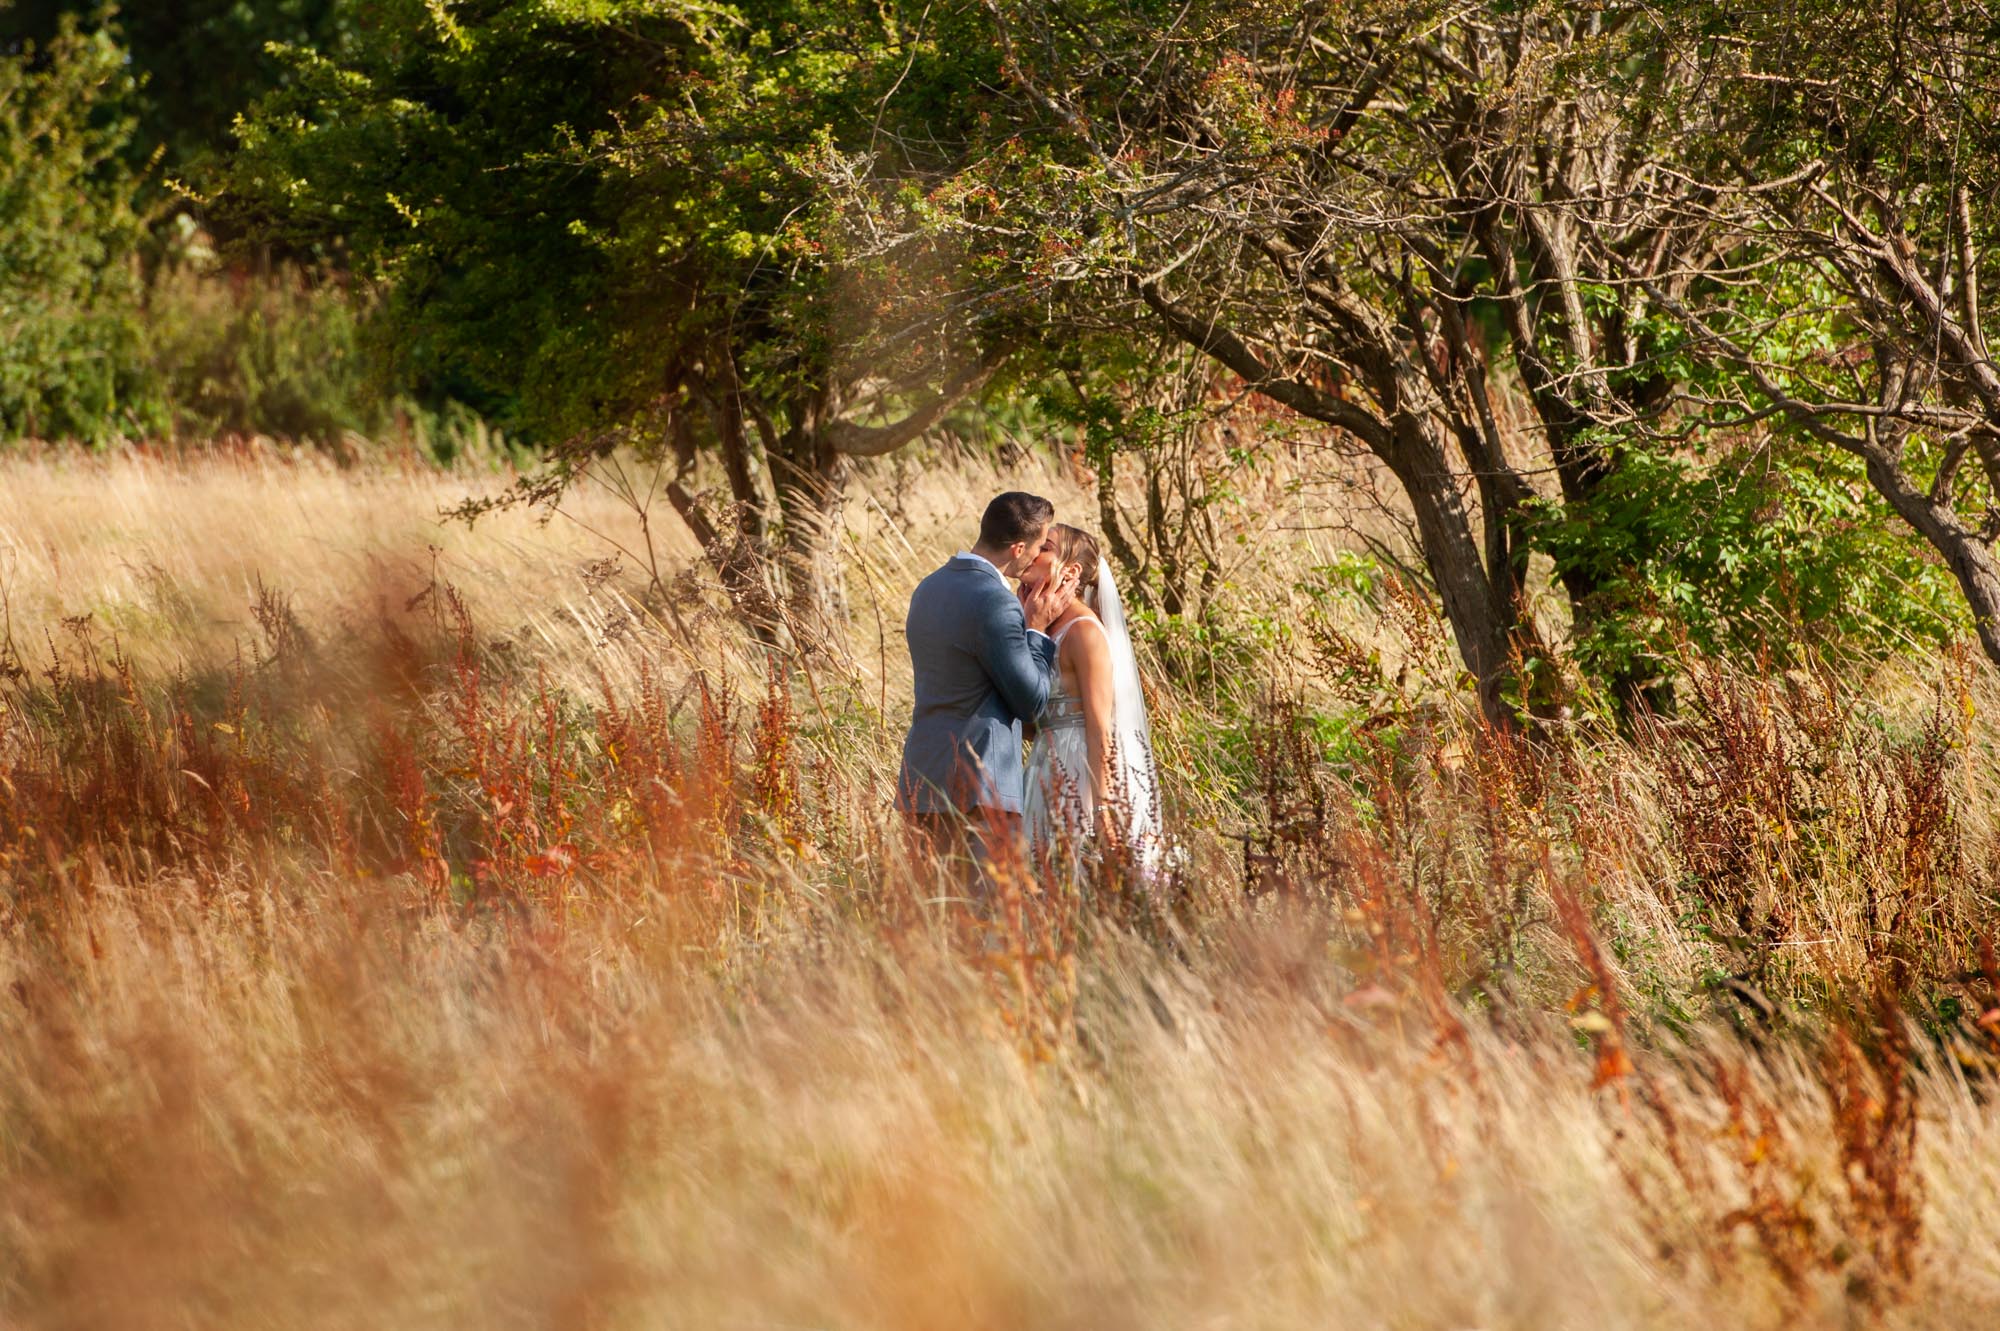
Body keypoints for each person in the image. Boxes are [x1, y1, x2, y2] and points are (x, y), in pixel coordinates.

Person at [897, 492, 1079, 887]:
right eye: (1037, 546)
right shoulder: (996, 602)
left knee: (930, 921)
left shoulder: (928, 588)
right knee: (984, 924)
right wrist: (1037, 629)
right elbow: (1031, 702)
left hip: (920, 779)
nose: (1036, 557)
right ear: (1017, 548)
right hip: (980, 790)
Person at [1016, 523, 1162, 876]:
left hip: (1079, 773)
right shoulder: (1041, 628)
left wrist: (1105, 812)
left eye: (1045, 548)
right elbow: (1028, 722)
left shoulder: (1083, 632)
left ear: (1071, 571)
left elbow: (1100, 729)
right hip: (1043, 768)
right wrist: (1028, 628)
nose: (1033, 553)